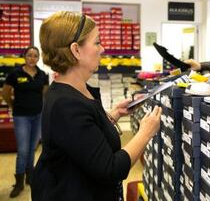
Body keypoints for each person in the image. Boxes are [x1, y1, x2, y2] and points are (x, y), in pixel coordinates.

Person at [31, 11, 161, 201]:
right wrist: (145, 133)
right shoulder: (65, 104)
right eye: (97, 42)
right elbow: (110, 169)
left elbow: (83, 134)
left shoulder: (78, 90)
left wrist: (114, 114)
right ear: (76, 50)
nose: (103, 49)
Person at [2, 46, 49, 198]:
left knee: (32, 148)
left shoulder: (42, 75)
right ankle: (19, 182)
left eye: (35, 56)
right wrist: (12, 106)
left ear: (38, 58)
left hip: (37, 116)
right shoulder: (15, 74)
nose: (32, 58)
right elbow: (6, 93)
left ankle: (30, 176)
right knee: (23, 150)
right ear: (24, 57)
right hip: (21, 116)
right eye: (29, 55)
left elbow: (44, 94)